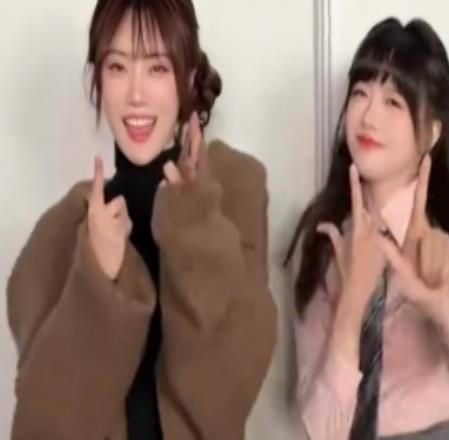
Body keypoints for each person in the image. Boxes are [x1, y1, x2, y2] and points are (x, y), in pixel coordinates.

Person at [7, 1, 276, 439]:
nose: (136, 93)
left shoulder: (233, 192)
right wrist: (97, 280)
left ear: (187, 79)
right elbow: (43, 426)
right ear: (98, 79)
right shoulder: (63, 230)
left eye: (157, 68)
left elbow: (230, 394)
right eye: (117, 67)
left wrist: (194, 228)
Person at [287, 17, 449, 440]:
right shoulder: (323, 237)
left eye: (394, 102)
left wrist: (439, 302)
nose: (369, 116)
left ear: (432, 132)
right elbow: (320, 428)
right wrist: (352, 304)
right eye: (360, 94)